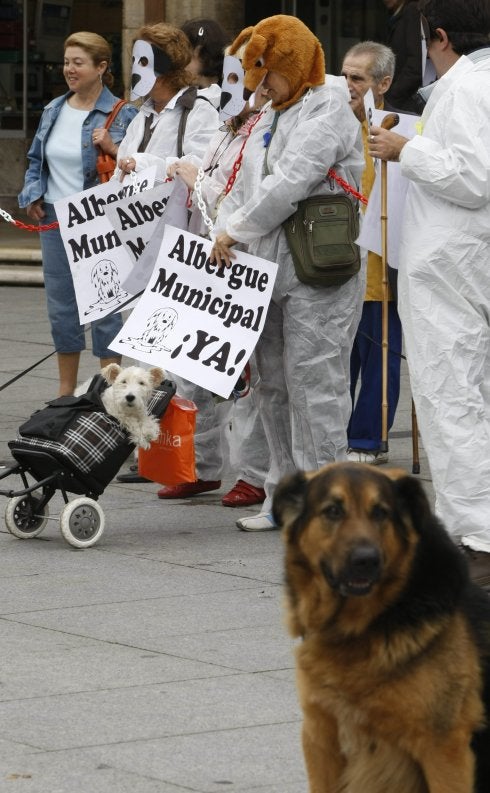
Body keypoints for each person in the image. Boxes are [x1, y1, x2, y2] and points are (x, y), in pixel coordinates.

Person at [210, 14, 365, 531]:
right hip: (264, 267)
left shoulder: (330, 107)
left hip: (319, 270)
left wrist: (235, 229)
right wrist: (225, 229)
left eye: (267, 72)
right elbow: (244, 184)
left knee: (316, 384)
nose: (260, 85)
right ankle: (283, 496)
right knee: (271, 383)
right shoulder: (269, 113)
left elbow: (292, 179)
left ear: (293, 64)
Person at [368, 0, 490, 585]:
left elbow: (472, 175)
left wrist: (405, 151)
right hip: (460, 261)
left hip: (450, 266)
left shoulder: (465, 87)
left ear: (438, 37)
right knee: (463, 396)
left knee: (451, 398)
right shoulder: (471, 83)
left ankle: (478, 538)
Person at [18, 31, 137, 397]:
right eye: (67, 62)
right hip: (54, 219)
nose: (69, 69)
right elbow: (36, 160)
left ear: (101, 67)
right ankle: (65, 392)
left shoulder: (123, 112)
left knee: (105, 306)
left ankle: (112, 392)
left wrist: (112, 147)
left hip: (98, 218)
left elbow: (138, 166)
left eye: (78, 63)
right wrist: (33, 193)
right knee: (61, 306)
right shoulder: (54, 109)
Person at [341, 41, 402, 465]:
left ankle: (367, 440)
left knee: (379, 358)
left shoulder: (397, 130)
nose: (347, 85)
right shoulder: (327, 124)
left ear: (383, 84)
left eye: (357, 78)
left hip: (381, 267)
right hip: (333, 265)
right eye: (343, 75)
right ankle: (332, 436)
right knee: (337, 362)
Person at [115, 23, 219, 184]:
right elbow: (118, 175)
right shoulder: (142, 116)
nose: (136, 69)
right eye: (134, 61)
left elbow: (203, 168)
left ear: (168, 64)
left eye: (144, 62)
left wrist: (142, 164)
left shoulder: (199, 111)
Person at [382, 0, 423, 112]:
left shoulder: (412, 11)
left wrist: (391, 97)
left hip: (405, 100)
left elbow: (415, 65)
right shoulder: (394, 14)